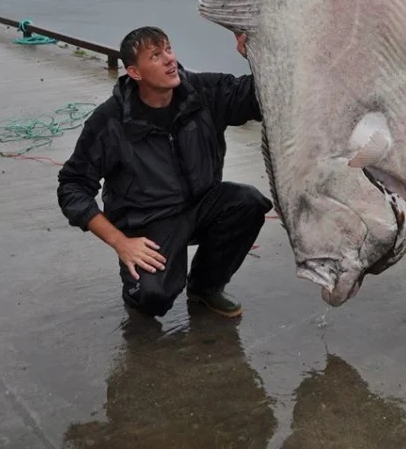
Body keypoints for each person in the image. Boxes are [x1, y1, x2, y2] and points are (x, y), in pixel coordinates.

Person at [57, 26, 272, 319]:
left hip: (201, 205)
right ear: (135, 72)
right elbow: (72, 186)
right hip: (149, 221)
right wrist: (121, 242)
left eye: (168, 49)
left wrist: (258, 55)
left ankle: (205, 287)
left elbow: (260, 96)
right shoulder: (110, 121)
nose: (170, 59)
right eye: (156, 55)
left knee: (248, 202)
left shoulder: (202, 92)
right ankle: (139, 289)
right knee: (152, 299)